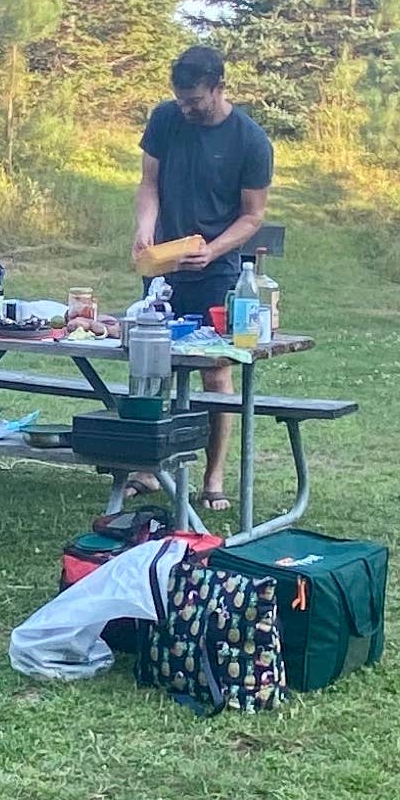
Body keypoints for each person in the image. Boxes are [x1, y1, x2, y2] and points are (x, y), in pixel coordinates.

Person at [131, 41, 275, 517]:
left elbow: (253, 217)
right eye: (180, 100)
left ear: (219, 88)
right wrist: (144, 231)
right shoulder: (165, 119)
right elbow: (149, 184)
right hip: (164, 265)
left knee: (215, 371)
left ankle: (212, 477)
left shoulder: (250, 141)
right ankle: (148, 465)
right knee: (150, 363)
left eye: (195, 100)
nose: (186, 109)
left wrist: (211, 250)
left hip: (217, 270)